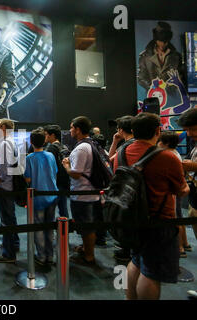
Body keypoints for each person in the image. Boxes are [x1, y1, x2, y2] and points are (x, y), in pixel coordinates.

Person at [113, 112, 188, 300]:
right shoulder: (168, 157)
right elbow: (180, 190)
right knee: (151, 273)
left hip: (130, 219)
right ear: (157, 130)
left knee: (136, 261)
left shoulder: (119, 154)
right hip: (159, 222)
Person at [62, 116, 99, 266]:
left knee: (86, 227)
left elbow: (76, 173)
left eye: (71, 127)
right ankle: (86, 249)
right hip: (89, 192)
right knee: (87, 226)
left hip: (83, 194)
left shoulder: (81, 148)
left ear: (77, 129)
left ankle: (88, 256)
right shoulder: (89, 144)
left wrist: (66, 165)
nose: (70, 130)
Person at [24, 128, 58, 266]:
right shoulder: (51, 156)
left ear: (31, 142)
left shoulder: (29, 158)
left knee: (38, 227)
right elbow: (54, 172)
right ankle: (50, 256)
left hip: (37, 198)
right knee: (50, 227)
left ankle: (42, 256)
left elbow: (27, 179)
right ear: (44, 140)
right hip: (52, 195)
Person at [158, 131, 190, 258]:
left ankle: (180, 248)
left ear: (165, 143)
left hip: (173, 192)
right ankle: (185, 243)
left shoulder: (168, 155)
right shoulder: (174, 152)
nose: (157, 144)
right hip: (175, 190)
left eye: (159, 141)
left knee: (175, 218)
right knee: (179, 216)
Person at [0, 118, 19, 263]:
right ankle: (14, 245)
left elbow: (3, 170)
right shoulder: (13, 142)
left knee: (6, 221)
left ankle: (9, 254)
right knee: (11, 218)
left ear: (2, 127)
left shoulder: (4, 144)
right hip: (10, 186)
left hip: (4, 187)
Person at [108, 115, 135, 261]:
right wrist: (115, 141)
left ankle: (126, 252)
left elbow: (109, 161)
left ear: (120, 129)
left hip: (124, 190)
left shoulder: (127, 146)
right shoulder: (131, 144)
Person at [138, 22, 184, 92]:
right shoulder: (145, 56)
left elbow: (180, 76)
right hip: (152, 97)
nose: (162, 44)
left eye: (165, 41)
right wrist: (153, 87)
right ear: (156, 40)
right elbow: (141, 78)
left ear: (168, 41)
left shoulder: (177, 57)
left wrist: (168, 88)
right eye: (160, 41)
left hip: (173, 98)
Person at [178, 108, 197, 242]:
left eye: (193, 129)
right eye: (187, 130)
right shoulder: (194, 141)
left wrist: (193, 166)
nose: (189, 133)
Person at [44, 124, 70, 218]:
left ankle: (51, 232)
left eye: (46, 134)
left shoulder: (51, 148)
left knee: (50, 212)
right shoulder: (63, 147)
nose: (45, 137)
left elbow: (49, 168)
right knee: (63, 210)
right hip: (64, 182)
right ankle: (65, 231)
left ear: (52, 135)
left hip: (54, 184)